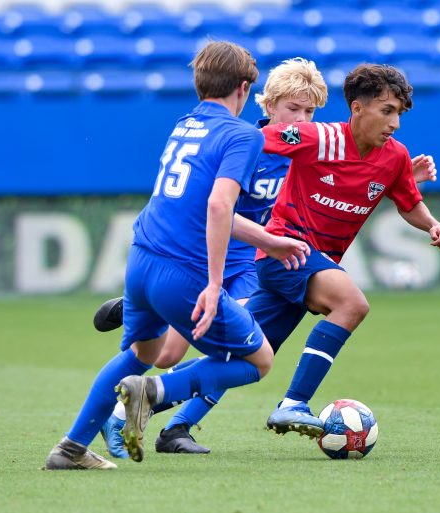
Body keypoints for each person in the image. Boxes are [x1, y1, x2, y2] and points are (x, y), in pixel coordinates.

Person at [93, 61, 439, 455]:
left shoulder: (313, 146)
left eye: (310, 111)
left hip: (265, 254)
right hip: (228, 250)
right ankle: (156, 312)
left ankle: (152, 420)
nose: (304, 118)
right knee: (173, 352)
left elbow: (349, 179)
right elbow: (215, 203)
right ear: (269, 106)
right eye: (294, 109)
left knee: (243, 356)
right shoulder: (252, 144)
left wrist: (400, 175)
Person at [44, 41, 311, 470]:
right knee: (258, 359)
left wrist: (265, 241)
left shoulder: (185, 123)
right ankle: (150, 395)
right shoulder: (242, 134)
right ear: (245, 89)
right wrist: (211, 282)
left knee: (143, 354)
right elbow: (219, 205)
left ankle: (71, 449)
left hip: (141, 260)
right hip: (182, 272)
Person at [249, 63, 440, 438]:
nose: (395, 123)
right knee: (352, 304)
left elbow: (408, 202)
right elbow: (257, 141)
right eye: (387, 111)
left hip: (310, 262)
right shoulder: (320, 137)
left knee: (244, 356)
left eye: (399, 114)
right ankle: (294, 403)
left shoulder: (394, 156)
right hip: (287, 250)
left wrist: (433, 224)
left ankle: (151, 396)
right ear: (357, 108)